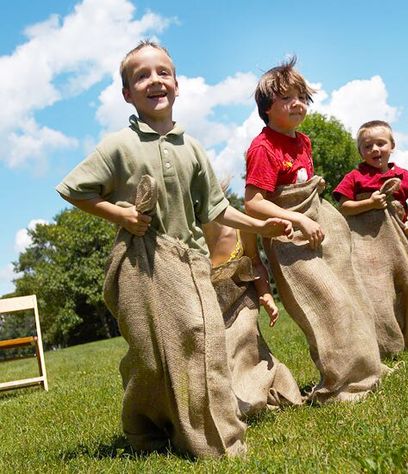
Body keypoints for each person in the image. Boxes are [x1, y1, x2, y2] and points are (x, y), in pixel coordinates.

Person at [56, 41, 293, 458]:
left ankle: (212, 429)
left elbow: (215, 209)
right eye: (141, 76)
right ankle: (147, 429)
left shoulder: (192, 147)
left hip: (190, 260)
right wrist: (121, 216)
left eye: (162, 72)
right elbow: (75, 190)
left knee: (203, 339)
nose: (154, 81)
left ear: (177, 85)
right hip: (142, 267)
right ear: (127, 93)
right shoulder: (118, 146)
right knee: (150, 355)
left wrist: (258, 223)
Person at [244, 57, 384, 404]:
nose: (297, 104)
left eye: (301, 97)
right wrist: (300, 220)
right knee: (327, 304)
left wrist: (316, 217)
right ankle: (342, 384)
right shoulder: (263, 148)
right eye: (287, 99)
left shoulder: (303, 141)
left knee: (349, 295)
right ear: (266, 109)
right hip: (289, 241)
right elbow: (254, 202)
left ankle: (367, 366)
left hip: (317, 233)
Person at [333, 120, 408, 356]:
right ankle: (388, 345)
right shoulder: (355, 177)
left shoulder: (402, 175)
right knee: (379, 294)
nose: (375, 150)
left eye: (381, 143)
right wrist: (370, 203)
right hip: (369, 246)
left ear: (392, 145)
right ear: (360, 151)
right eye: (368, 146)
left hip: (402, 240)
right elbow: (344, 207)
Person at [202, 181, 303, 417]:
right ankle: (224, 397)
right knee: (217, 356)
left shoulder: (242, 228)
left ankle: (251, 392)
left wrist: (266, 294)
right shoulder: (192, 234)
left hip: (241, 297)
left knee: (244, 340)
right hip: (209, 304)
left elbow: (255, 262)